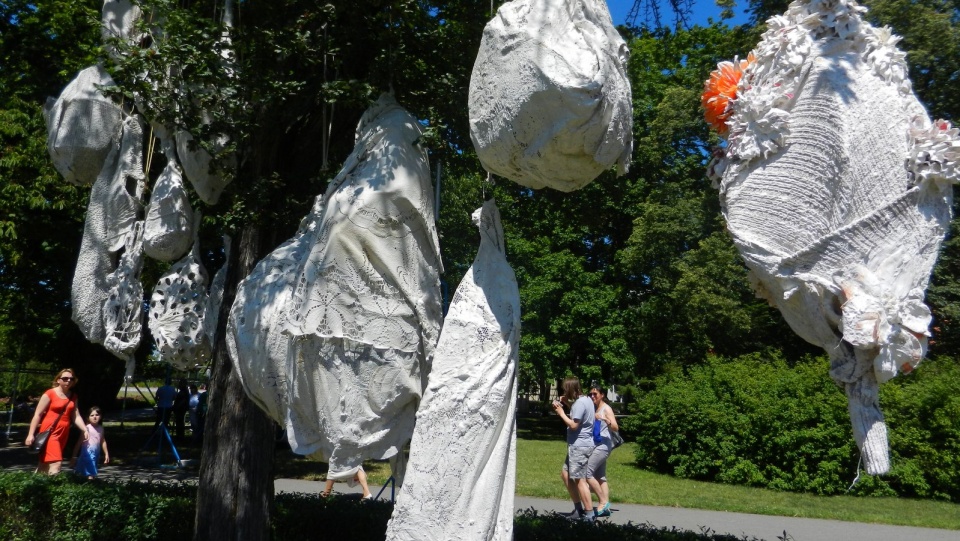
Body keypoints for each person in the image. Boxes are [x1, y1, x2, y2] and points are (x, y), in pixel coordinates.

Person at [24, 368, 89, 475]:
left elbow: (76, 415)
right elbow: (37, 415)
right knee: (56, 463)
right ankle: (53, 488)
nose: (68, 381)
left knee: (44, 464)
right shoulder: (50, 393)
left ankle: (35, 487)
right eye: (65, 378)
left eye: (71, 379)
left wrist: (84, 429)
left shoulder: (73, 396)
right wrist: (30, 434)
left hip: (63, 432)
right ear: (58, 380)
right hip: (50, 432)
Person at [552, 376, 596, 521]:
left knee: (579, 480)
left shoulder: (580, 403)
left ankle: (589, 515)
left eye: (565, 389)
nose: (564, 391)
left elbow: (573, 425)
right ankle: (578, 509)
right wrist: (566, 404)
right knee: (565, 474)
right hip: (580, 445)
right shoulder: (586, 400)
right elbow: (579, 415)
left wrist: (561, 413)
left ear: (570, 389)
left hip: (579, 446)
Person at [586, 385, 618, 517]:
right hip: (596, 445)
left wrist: (606, 419)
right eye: (591, 394)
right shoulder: (593, 407)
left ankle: (603, 502)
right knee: (600, 477)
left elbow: (615, 427)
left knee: (587, 472)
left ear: (602, 395)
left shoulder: (606, 408)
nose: (593, 396)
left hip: (603, 446)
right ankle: (605, 507)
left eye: (595, 394)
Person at [70, 406, 110, 479]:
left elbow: (103, 441)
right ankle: (90, 485)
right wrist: (74, 456)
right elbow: (79, 443)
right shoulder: (86, 428)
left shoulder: (101, 428)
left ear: (100, 416)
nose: (94, 417)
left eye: (97, 415)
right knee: (91, 473)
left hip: (96, 453)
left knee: (88, 473)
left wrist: (106, 453)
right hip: (87, 453)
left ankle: (86, 485)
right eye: (92, 415)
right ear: (88, 417)